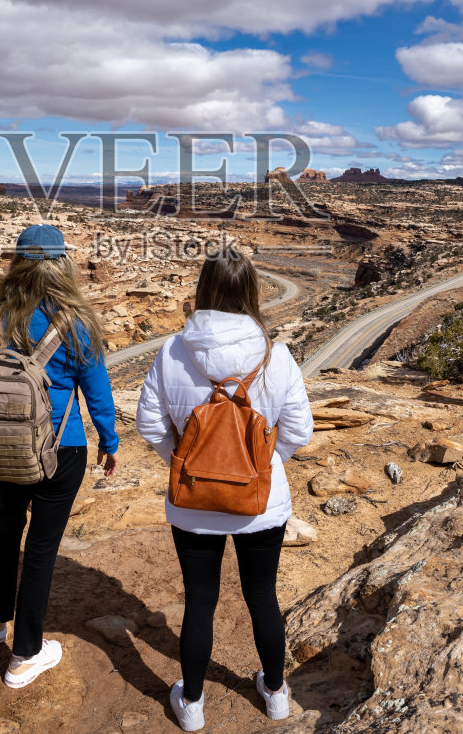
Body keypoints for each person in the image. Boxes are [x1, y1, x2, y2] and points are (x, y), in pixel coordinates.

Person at [134, 246, 314, 731]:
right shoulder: (277, 357)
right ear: (252, 292)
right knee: (262, 596)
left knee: (200, 599)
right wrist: (264, 465)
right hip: (261, 504)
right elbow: (300, 431)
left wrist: (187, 463)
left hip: (192, 505)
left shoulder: (172, 352)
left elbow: (149, 425)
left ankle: (191, 705)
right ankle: (275, 694)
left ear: (204, 291)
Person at [0, 224, 119, 688]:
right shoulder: (76, 321)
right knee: (41, 547)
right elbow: (97, 392)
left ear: (17, 263)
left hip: (6, 442)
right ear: (62, 264)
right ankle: (26, 655)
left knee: (7, 523)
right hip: (62, 446)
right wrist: (109, 443)